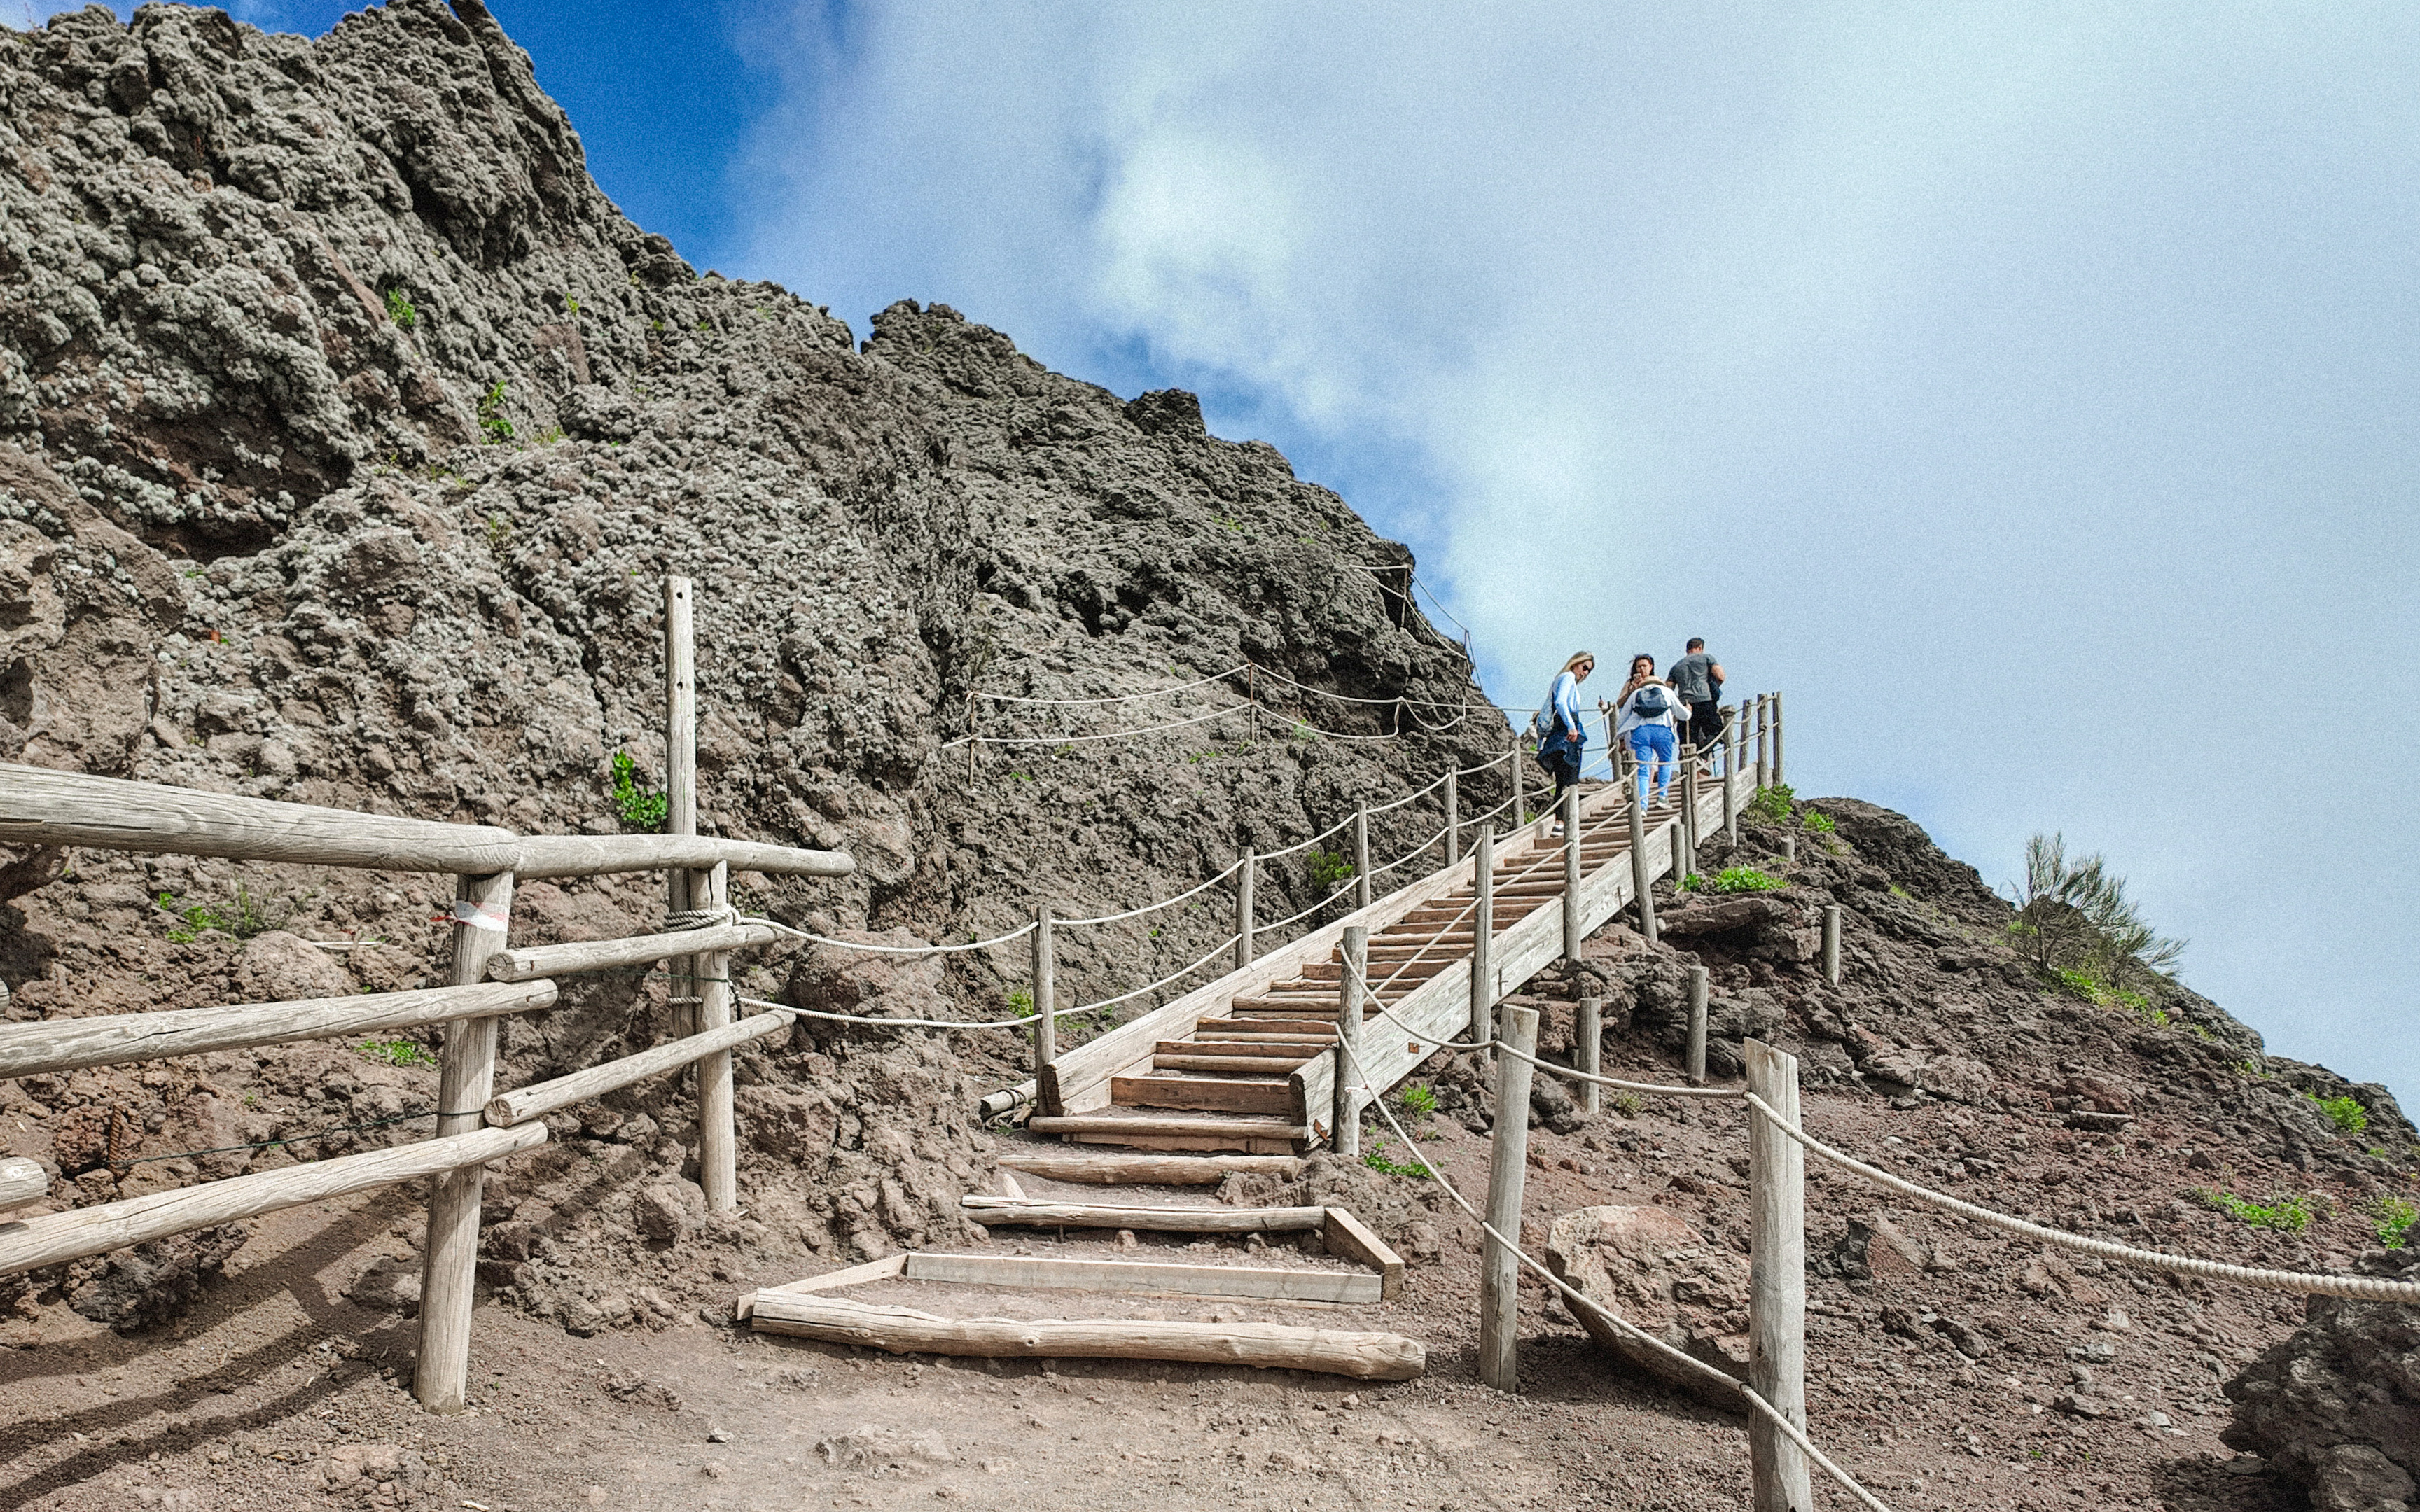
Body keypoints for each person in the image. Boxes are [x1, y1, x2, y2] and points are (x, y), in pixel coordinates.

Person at [1609, 652, 1681, 806]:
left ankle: (1646, 799)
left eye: (1644, 666)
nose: (1641, 670)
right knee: (1641, 764)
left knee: (1650, 764)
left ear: (1651, 667)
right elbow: (1620, 703)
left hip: (1652, 729)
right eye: (1638, 666)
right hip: (1635, 727)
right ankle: (1645, 797)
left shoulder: (1659, 683)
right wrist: (1632, 690)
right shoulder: (1630, 685)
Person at [1534, 652, 1594, 834]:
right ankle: (1562, 822)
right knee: (1569, 779)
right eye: (1584, 667)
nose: (1584, 673)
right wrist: (1571, 727)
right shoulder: (1567, 677)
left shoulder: (1561, 679)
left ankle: (1560, 823)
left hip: (1561, 730)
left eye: (1588, 671)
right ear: (1575, 663)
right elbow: (1561, 703)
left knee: (1563, 780)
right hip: (1566, 729)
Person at [1667, 638, 1726, 768]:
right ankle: (1705, 750)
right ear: (1700, 648)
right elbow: (1720, 676)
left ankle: (1688, 770)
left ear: (1687, 650)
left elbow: (1668, 689)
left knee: (1688, 740)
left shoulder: (1676, 666)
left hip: (1685, 706)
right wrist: (1714, 687)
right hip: (1705, 700)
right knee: (1717, 731)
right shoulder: (1707, 658)